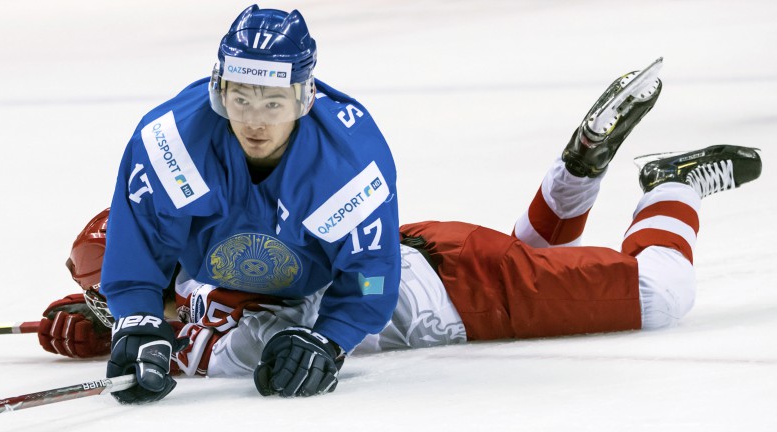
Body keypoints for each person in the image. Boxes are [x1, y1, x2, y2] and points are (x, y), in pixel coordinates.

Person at [39, 55, 762, 398]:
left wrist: (125, 332)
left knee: (661, 293)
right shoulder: (199, 262)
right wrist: (97, 325)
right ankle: (576, 170)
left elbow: (217, 340)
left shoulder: (207, 303)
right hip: (423, 252)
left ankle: (671, 183)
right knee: (533, 252)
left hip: (453, 299)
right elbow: (169, 306)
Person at [99, 5, 403, 403]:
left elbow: (372, 276)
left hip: (316, 291)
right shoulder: (167, 142)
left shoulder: (352, 163)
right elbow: (135, 249)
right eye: (241, 100)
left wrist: (333, 337)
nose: (255, 122)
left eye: (273, 104)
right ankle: (150, 306)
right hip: (204, 273)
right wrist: (135, 316)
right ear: (219, 90)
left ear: (305, 97)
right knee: (96, 245)